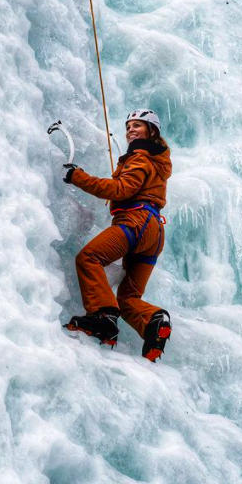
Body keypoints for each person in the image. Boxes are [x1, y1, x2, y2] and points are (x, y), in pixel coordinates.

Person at [63, 109, 173, 362]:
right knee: (127, 298)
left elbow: (123, 189)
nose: (131, 130)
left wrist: (77, 176)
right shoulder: (157, 160)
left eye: (138, 125)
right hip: (153, 233)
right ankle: (153, 324)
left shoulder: (140, 157)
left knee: (89, 258)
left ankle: (102, 316)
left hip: (136, 222)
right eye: (128, 127)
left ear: (151, 131)